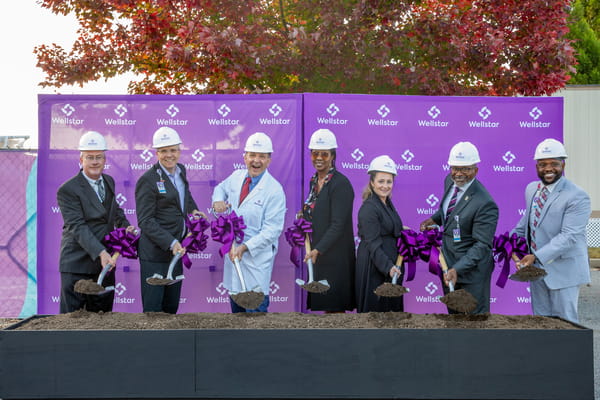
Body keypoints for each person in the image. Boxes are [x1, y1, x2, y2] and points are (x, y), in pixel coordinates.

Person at [512, 138, 591, 323]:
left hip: (564, 272)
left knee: (566, 327)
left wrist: (536, 256)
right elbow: (527, 223)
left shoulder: (577, 196)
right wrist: (511, 245)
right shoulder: (532, 189)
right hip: (538, 273)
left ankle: (570, 354)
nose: (548, 168)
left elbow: (569, 236)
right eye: (542, 164)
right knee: (542, 325)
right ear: (536, 166)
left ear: (563, 164)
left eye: (554, 164)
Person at [57, 131, 135, 313]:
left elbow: (115, 210)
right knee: (72, 321)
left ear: (104, 159)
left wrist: (125, 226)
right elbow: (77, 226)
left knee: (103, 318)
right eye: (90, 157)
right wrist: (100, 252)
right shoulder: (68, 189)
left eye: (99, 157)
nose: (95, 162)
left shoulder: (109, 181)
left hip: (104, 263)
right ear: (81, 159)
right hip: (77, 264)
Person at [420, 141, 498, 314]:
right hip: (448, 265)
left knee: (474, 325)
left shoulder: (485, 203)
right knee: (454, 321)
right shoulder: (449, 181)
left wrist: (458, 268)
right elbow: (450, 212)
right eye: (455, 168)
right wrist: (434, 220)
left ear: (476, 170)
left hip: (472, 274)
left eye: (466, 169)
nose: (459, 174)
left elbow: (482, 246)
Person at [212, 132, 286, 313]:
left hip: (255, 261)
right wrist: (217, 201)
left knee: (255, 321)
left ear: (269, 160)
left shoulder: (274, 190)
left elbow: (272, 231)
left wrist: (244, 247)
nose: (256, 161)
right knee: (236, 319)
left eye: (262, 156)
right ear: (244, 157)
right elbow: (220, 188)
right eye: (252, 155)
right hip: (235, 258)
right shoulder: (237, 177)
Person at [135, 126, 202, 314]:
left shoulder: (181, 170)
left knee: (171, 308)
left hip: (177, 251)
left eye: (173, 150)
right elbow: (146, 221)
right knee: (154, 311)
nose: (169, 155)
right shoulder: (147, 180)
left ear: (179, 151)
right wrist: (171, 242)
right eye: (164, 151)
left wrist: (193, 210)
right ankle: (152, 344)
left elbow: (184, 196)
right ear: (157, 153)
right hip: (155, 254)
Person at [302, 128, 356, 313]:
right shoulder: (313, 181)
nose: (318, 158)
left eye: (324, 154)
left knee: (335, 311)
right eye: (314, 153)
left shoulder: (341, 184)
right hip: (319, 255)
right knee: (325, 310)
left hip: (336, 258)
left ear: (333, 156)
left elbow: (338, 225)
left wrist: (318, 249)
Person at [355, 155, 404, 313]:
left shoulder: (387, 203)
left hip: (389, 265)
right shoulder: (369, 208)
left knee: (390, 314)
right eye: (381, 181)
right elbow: (373, 243)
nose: (385, 186)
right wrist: (388, 267)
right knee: (375, 313)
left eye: (389, 181)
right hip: (374, 267)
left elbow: (389, 227)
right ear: (372, 182)